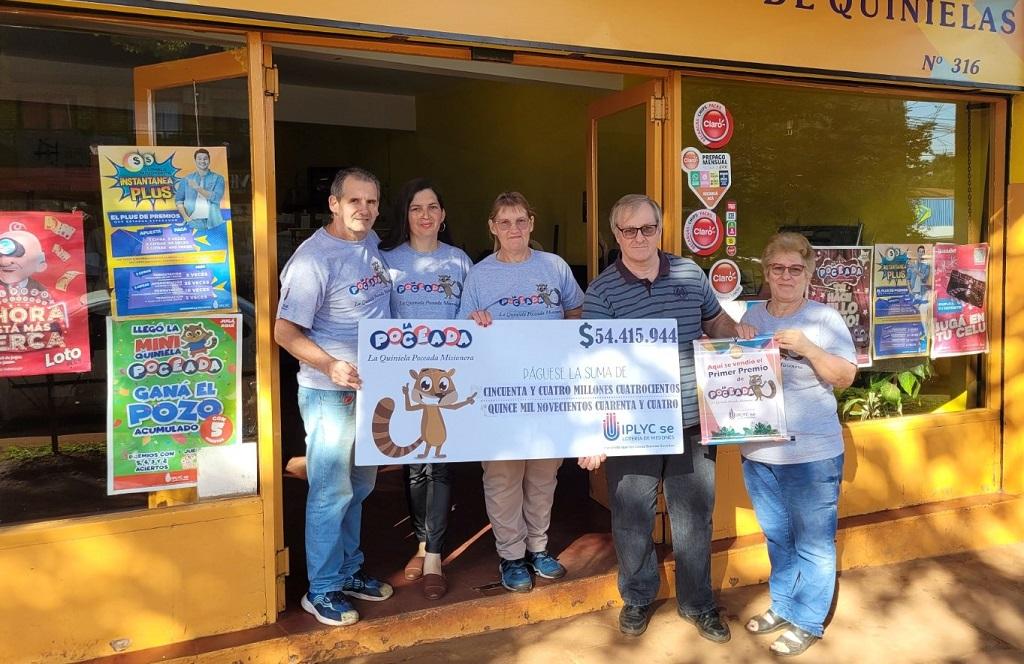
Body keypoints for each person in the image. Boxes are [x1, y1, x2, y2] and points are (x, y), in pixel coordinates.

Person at [577, 194, 755, 643]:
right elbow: (594, 365)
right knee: (632, 516)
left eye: (648, 228)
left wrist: (735, 332)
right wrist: (594, 431)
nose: (639, 237)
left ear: (661, 228)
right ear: (614, 235)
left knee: (694, 517)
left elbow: (712, 322)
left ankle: (698, 604)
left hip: (693, 419)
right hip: (633, 426)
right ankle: (638, 596)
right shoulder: (601, 291)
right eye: (629, 230)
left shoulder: (688, 273)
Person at [274, 167, 394, 627]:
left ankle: (347, 571)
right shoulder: (313, 259)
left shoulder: (370, 245)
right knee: (330, 490)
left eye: (371, 201)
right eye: (354, 201)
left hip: (371, 391)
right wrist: (329, 364)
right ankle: (320, 590)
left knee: (360, 486)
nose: (363, 210)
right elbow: (284, 330)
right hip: (331, 393)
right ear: (334, 204)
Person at [738, 232, 857, 657]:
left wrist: (807, 347)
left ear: (808, 273)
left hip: (812, 454)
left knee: (813, 542)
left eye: (795, 269)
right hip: (759, 452)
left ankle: (807, 619)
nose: (785, 276)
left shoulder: (824, 319)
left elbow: (844, 377)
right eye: (777, 268)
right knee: (777, 536)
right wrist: (738, 340)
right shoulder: (752, 314)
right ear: (766, 272)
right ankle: (784, 605)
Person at [459, 191, 584, 593]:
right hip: (497, 395)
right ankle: (511, 555)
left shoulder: (555, 267)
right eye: (505, 222)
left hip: (548, 391)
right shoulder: (479, 275)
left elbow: (575, 314)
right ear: (492, 227)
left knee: (544, 472)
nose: (514, 229)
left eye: (521, 221)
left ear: (532, 223)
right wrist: (475, 322)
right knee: (503, 476)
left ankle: (539, 548)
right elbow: (462, 336)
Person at [379, 178, 473, 600]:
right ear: (406, 215)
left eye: (433, 207)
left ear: (443, 214)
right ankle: (421, 543)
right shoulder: (386, 261)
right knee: (412, 467)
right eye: (417, 208)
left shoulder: (459, 261)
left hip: (449, 378)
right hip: (403, 377)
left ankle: (434, 554)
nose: (425, 215)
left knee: (440, 465)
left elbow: (472, 315)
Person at [175, 148, 227, 230]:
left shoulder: (218, 178)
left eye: (205, 159)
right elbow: (178, 200)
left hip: (213, 222)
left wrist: (197, 188)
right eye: (199, 159)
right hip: (192, 220)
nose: (202, 161)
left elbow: (216, 198)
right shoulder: (186, 179)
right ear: (195, 160)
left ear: (209, 160)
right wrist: (187, 218)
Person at [0, 229, 50, 301]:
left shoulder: (38, 288)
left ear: (40, 265)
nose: (4, 262)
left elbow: (48, 305)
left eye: (18, 254)